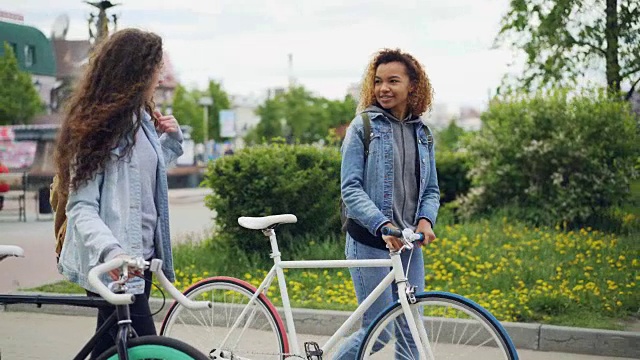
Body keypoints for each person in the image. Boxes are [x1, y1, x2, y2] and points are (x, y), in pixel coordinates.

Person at [53, 28, 183, 358]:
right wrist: (110, 251)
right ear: (137, 71)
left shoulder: (141, 119)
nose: (160, 76)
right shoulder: (97, 128)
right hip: (112, 264)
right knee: (148, 351)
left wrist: (173, 142)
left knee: (113, 347)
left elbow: (140, 182)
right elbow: (81, 206)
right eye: (156, 68)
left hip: (138, 261)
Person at [336, 48, 440, 359]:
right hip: (369, 241)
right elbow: (350, 190)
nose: (384, 88)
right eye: (378, 81)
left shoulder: (422, 133)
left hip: (407, 246)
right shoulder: (363, 127)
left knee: (411, 334)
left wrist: (426, 220)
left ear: (412, 85)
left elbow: (431, 189)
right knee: (376, 334)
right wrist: (383, 225)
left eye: (393, 81)